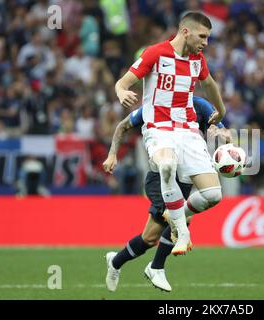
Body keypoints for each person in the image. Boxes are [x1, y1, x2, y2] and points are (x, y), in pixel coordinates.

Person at [113, 12, 226, 257]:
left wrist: (222, 109)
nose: (206, 42)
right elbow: (122, 83)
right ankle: (182, 232)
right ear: (186, 31)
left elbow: (210, 85)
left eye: (208, 38)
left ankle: (178, 216)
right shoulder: (155, 53)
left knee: (213, 195)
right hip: (159, 129)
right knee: (166, 164)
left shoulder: (198, 59)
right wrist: (122, 93)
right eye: (203, 36)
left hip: (188, 130)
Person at [103, 96, 230, 292]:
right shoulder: (153, 105)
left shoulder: (200, 105)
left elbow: (220, 127)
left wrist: (220, 132)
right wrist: (112, 154)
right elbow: (122, 126)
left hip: (185, 180)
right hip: (160, 176)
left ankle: (115, 262)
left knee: (149, 238)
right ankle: (156, 267)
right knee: (179, 218)